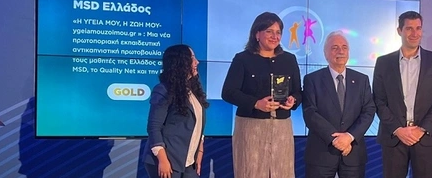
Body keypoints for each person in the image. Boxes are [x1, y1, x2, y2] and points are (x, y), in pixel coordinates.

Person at [221, 12, 302, 178]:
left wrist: (293, 101)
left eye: (278, 32)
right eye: (269, 31)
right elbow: (228, 92)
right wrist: (256, 103)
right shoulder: (242, 59)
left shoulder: (289, 60)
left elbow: (298, 92)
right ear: (257, 34)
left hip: (281, 129)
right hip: (251, 128)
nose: (275, 36)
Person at [373, 11, 432, 178]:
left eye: (418, 28)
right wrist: (397, 129)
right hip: (394, 137)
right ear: (399, 31)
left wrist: (421, 129)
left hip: (426, 137)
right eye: (409, 28)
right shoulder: (383, 62)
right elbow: (379, 100)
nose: (415, 33)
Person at [303, 31, 375, 178]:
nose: (340, 51)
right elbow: (310, 113)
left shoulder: (362, 80)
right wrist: (336, 140)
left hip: (353, 154)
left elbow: (368, 111)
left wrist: (349, 137)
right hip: (321, 154)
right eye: (335, 47)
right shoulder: (312, 79)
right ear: (325, 53)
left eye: (344, 47)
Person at [143, 44, 208, 178]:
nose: (197, 62)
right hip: (167, 161)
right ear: (180, 62)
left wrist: (199, 152)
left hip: (188, 162)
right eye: (192, 58)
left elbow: (197, 124)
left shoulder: (192, 91)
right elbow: (154, 127)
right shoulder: (163, 90)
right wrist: (163, 160)